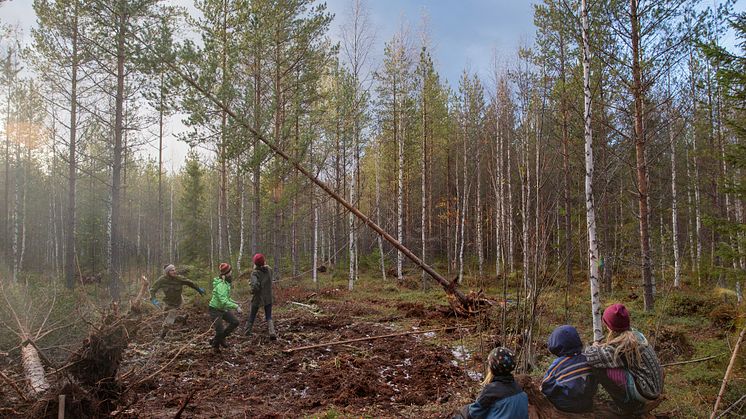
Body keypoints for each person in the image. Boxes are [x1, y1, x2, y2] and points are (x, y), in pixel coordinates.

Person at [584, 303, 664, 415]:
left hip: (646, 391)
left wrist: (593, 346)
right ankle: (631, 402)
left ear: (609, 325)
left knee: (599, 368)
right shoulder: (635, 334)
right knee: (611, 363)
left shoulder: (623, 346)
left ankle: (627, 406)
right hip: (654, 385)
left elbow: (591, 357)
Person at [454, 347, 528, 419]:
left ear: (492, 368)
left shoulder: (491, 391)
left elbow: (473, 414)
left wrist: (462, 411)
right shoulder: (519, 389)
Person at [541, 325, 597, 413]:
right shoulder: (588, 358)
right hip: (588, 402)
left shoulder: (558, 364)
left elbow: (546, 386)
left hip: (567, 405)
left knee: (550, 393)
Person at [150, 264, 205, 339]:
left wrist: (198, 289)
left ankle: (162, 335)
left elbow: (190, 283)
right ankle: (182, 318)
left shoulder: (179, 278)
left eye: (174, 270)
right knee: (166, 316)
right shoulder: (162, 280)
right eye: (172, 270)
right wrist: (153, 299)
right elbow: (153, 290)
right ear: (167, 272)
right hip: (167, 302)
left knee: (170, 317)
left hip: (178, 302)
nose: (174, 271)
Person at [208, 262, 242, 351]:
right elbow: (223, 301)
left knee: (235, 322)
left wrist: (234, 302)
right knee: (219, 330)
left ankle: (219, 338)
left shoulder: (226, 283)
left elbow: (226, 298)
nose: (231, 273)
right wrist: (236, 307)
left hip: (223, 309)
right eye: (230, 271)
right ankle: (215, 346)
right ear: (227, 273)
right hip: (215, 310)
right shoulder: (221, 285)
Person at [244, 253, 276, 339]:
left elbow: (255, 287)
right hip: (268, 297)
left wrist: (252, 289)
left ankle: (247, 332)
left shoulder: (255, 273)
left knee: (252, 315)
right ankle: (272, 332)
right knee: (268, 316)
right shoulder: (269, 269)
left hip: (258, 298)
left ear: (255, 263)